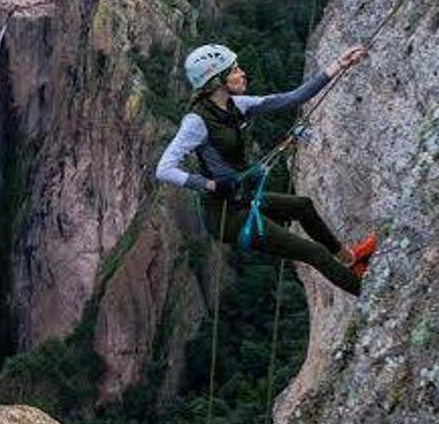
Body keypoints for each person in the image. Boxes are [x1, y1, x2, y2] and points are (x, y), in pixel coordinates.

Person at [156, 42, 377, 296]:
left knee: (302, 206)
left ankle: (349, 259)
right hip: (226, 215)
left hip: (243, 197)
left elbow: (293, 98)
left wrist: (339, 64)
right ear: (217, 81)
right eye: (234, 70)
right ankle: (368, 294)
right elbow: (164, 168)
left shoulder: (237, 105)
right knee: (312, 252)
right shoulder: (196, 122)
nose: (242, 73)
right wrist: (210, 185)